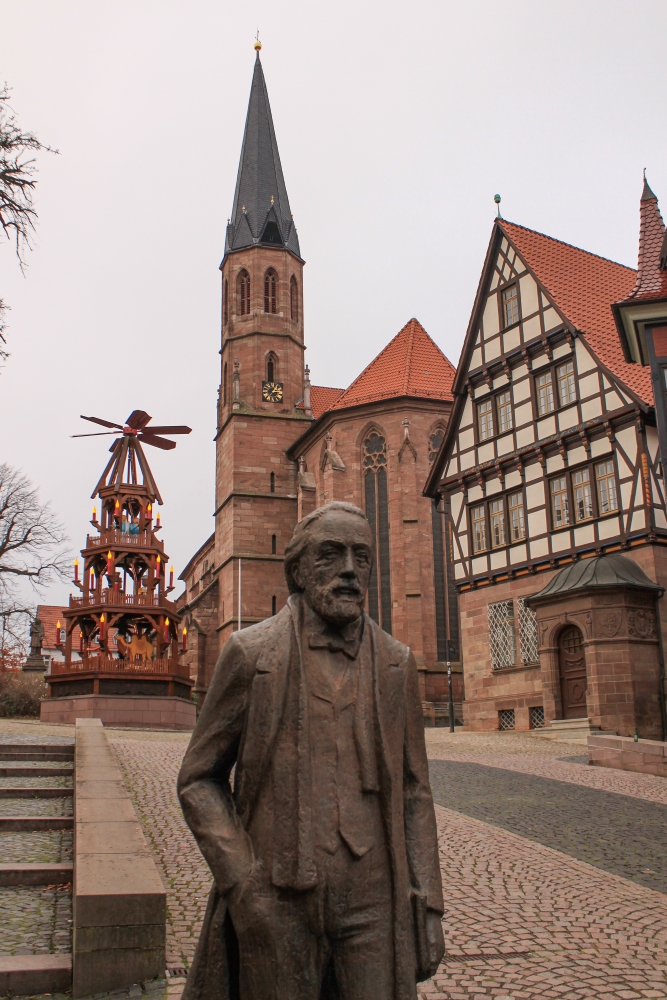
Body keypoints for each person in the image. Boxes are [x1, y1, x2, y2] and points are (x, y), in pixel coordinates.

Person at [178, 501, 444, 1000]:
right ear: (297, 568)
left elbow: (414, 792)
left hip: (375, 899)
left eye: (361, 557)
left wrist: (427, 907)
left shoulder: (397, 664)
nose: (348, 569)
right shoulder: (251, 654)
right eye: (331, 554)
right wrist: (241, 882)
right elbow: (198, 779)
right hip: (276, 896)